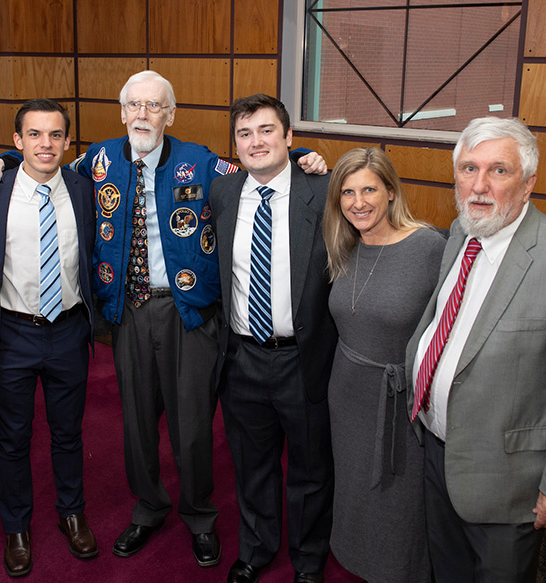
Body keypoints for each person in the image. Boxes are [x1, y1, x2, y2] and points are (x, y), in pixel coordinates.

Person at [0, 70, 326, 567]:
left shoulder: (199, 162)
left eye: (154, 106)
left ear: (170, 115)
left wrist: (305, 155)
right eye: (133, 105)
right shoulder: (98, 160)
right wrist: (2, 159)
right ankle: (149, 506)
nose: (142, 114)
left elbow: (257, 166)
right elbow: (43, 157)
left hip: (189, 313)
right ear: (121, 113)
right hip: (128, 312)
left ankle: (200, 515)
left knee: (194, 424)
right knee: (135, 422)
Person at [405, 117, 546, 581]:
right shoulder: (462, 233)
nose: (479, 186)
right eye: (468, 168)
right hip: (439, 455)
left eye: (498, 171)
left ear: (528, 183)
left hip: (507, 482)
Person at [209, 94, 336, 583]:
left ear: (288, 137)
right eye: (244, 134)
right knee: (252, 464)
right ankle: (256, 549)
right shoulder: (222, 191)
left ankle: (308, 560)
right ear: (235, 144)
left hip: (303, 359)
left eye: (266, 130)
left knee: (310, 469)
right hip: (241, 358)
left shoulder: (323, 191)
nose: (255, 141)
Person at [0, 99, 97, 577]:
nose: (45, 144)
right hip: (13, 334)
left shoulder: (85, 191)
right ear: (17, 140)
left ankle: (72, 513)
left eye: (55, 135)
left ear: (68, 142)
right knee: (12, 438)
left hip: (68, 331)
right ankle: (16, 528)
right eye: (34, 135)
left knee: (69, 434)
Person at [321, 146, 444, 581]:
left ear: (391, 191)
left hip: (401, 402)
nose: (359, 202)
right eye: (348, 192)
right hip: (347, 394)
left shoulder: (428, 246)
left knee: (400, 504)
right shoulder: (343, 245)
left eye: (370, 189)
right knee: (355, 493)